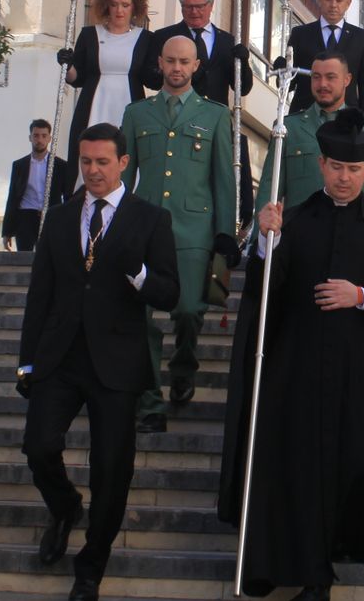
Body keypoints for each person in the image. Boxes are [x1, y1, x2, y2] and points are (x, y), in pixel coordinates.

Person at [217, 109, 364, 599]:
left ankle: (356, 538)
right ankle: (310, 570)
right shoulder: (292, 221)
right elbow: (266, 295)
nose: (344, 178)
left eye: (354, 170)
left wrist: (361, 296)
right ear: (321, 165)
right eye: (336, 168)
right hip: (298, 368)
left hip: (363, 370)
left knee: (359, 456)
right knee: (303, 466)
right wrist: (263, 241)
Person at [17, 122, 180, 601]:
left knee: (112, 468)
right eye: (86, 162)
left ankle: (91, 567)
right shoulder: (62, 217)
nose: (92, 170)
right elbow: (39, 295)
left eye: (102, 162)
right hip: (61, 358)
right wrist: (27, 362)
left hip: (117, 362)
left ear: (123, 163)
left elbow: (170, 293)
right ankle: (65, 506)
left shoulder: (151, 219)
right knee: (38, 447)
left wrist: (138, 273)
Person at [120, 35, 238, 433]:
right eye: (170, 61)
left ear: (196, 65)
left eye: (184, 62)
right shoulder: (136, 114)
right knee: (145, 321)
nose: (176, 68)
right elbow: (125, 175)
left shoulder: (216, 116)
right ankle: (150, 402)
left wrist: (225, 233)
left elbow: (224, 178)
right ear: (159, 63)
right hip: (145, 230)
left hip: (194, 230)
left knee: (189, 311)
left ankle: (184, 367)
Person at [142, 0, 256, 221]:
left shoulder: (228, 40)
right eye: (187, 7)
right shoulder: (165, 37)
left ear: (211, 5)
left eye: (199, 6)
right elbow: (150, 79)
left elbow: (242, 88)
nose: (193, 12)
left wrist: (243, 62)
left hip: (216, 123)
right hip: (176, 119)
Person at [255, 49, 364, 220]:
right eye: (316, 77)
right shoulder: (288, 127)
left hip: (351, 235)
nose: (322, 84)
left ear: (347, 79)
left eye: (331, 77)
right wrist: (259, 237)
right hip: (298, 237)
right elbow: (269, 189)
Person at [58, 0, 152, 168]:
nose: (119, 10)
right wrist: (67, 65)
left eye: (125, 5)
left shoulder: (144, 38)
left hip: (129, 105)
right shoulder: (89, 35)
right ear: (106, 6)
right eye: (114, 4)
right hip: (94, 104)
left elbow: (152, 78)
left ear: (134, 7)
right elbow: (77, 78)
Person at [285, 0, 364, 114]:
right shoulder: (300, 34)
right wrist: (283, 68)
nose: (333, 5)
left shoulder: (361, 38)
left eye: (339, 0)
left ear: (348, 3)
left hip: (347, 120)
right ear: (319, 0)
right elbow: (288, 82)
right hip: (305, 116)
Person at [2, 119, 76, 252]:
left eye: (43, 136)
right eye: (36, 135)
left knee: (49, 256)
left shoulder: (60, 166)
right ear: (30, 138)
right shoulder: (19, 165)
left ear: (49, 138)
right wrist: (7, 231)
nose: (39, 140)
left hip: (51, 216)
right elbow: (12, 197)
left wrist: (67, 225)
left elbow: (68, 197)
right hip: (25, 217)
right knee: (24, 256)